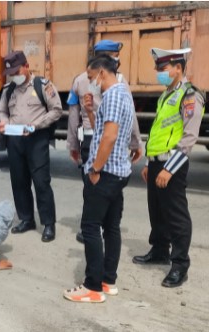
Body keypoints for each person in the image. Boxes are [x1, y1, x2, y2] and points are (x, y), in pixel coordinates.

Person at [63, 55, 135, 303]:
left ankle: (92, 287)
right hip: (118, 172)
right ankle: (108, 280)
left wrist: (95, 169)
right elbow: (103, 129)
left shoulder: (114, 95)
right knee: (111, 227)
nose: (91, 83)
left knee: (91, 227)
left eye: (92, 78)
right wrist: (91, 111)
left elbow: (109, 137)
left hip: (105, 174)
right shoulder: (123, 93)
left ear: (102, 73)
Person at [132, 47, 205, 288]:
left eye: (162, 69)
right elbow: (159, 131)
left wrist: (168, 169)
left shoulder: (190, 95)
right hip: (156, 163)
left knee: (176, 216)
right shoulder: (166, 95)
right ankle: (160, 250)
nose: (159, 73)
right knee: (157, 211)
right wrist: (149, 162)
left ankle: (180, 265)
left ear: (178, 68)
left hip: (172, 164)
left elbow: (188, 138)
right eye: (158, 69)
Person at [66, 39, 144, 243]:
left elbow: (73, 115)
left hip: (90, 137)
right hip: (108, 140)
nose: (116, 60)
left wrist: (72, 144)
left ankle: (89, 226)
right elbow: (130, 115)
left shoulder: (79, 79)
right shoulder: (119, 81)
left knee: (91, 188)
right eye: (113, 56)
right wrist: (136, 142)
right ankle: (94, 228)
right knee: (102, 186)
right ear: (105, 59)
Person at [0, 50, 62, 242]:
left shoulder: (42, 85)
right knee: (19, 181)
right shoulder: (9, 89)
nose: (15, 76)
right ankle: (26, 219)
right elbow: (1, 110)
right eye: (12, 74)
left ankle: (48, 223)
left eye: (17, 72)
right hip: (15, 139)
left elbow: (56, 110)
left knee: (41, 182)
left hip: (36, 138)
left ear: (26, 66)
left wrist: (36, 125)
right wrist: (4, 122)